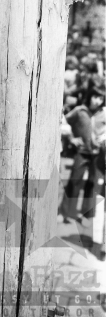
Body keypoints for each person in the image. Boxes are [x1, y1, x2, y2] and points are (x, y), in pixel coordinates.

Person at [58, 81, 106, 223]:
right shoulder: (80, 111)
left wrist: (103, 137)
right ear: (90, 96)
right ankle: (65, 212)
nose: (98, 100)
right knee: (75, 181)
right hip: (82, 152)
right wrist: (72, 138)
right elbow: (64, 121)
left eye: (101, 98)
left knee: (92, 184)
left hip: (98, 154)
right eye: (95, 97)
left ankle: (86, 215)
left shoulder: (103, 114)